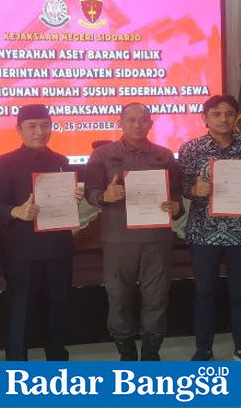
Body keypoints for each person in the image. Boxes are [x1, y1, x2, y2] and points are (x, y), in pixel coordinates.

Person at [84, 102, 182, 361]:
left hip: (156, 238)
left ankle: (151, 353)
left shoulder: (165, 156)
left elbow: (177, 196)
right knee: (118, 297)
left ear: (151, 123)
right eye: (131, 120)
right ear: (120, 122)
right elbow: (90, 193)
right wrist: (105, 195)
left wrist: (177, 206)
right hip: (119, 240)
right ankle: (126, 352)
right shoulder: (102, 155)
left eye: (143, 120)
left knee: (157, 297)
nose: (137, 125)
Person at [178, 95, 241, 361]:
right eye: (216, 114)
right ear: (204, 118)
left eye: (229, 114)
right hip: (203, 232)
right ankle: (203, 349)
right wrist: (194, 189)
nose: (223, 119)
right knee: (204, 292)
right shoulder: (190, 149)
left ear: (236, 117)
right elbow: (182, 187)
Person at [0, 104, 83, 361]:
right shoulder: (4, 163)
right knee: (20, 309)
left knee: (58, 305)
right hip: (21, 250)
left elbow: (63, 202)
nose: (40, 131)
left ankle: (56, 357)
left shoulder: (61, 161)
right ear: (19, 129)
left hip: (58, 247)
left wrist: (75, 197)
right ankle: (17, 363)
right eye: (32, 126)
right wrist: (16, 211)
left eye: (45, 125)